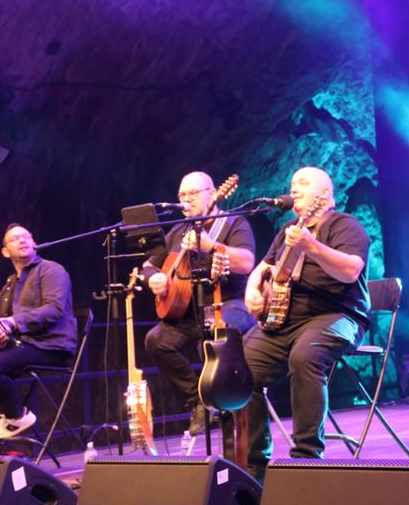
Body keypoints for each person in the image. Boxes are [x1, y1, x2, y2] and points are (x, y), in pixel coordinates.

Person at [242, 167, 370, 481]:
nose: (294, 188)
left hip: (337, 316)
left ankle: (307, 461)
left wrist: (311, 245)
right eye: (292, 183)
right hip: (285, 321)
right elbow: (264, 267)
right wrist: (251, 292)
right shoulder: (288, 228)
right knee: (240, 366)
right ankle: (254, 466)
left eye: (303, 183)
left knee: (305, 355)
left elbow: (351, 271)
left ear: (325, 195)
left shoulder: (344, 224)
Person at [142, 171, 256, 435]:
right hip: (189, 312)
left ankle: (229, 399)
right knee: (156, 340)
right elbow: (150, 263)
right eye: (182, 195)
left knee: (222, 331)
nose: (186, 199)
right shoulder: (177, 232)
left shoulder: (233, 224)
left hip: (230, 303)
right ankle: (199, 401)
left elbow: (246, 262)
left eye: (193, 193)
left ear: (213, 193)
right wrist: (153, 278)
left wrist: (211, 246)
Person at [0, 224, 77, 453]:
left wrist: (13, 322)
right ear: (5, 251)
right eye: (15, 239)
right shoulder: (9, 284)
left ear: (34, 243)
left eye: (26, 236)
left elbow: (53, 310)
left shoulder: (51, 271)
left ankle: (16, 415)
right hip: (23, 347)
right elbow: (0, 324)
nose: (22, 240)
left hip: (51, 347)